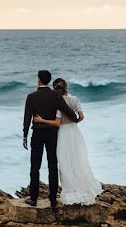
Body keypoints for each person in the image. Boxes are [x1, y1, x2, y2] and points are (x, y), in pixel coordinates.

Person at [32, 77, 102, 205]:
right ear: (66, 87)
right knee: (78, 161)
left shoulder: (56, 102)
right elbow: (81, 116)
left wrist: (41, 120)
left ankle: (70, 193)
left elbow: (57, 123)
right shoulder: (74, 99)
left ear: (54, 88)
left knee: (64, 164)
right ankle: (84, 191)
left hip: (62, 133)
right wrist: (73, 123)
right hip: (75, 132)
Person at [22, 69, 81, 208]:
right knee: (52, 165)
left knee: (35, 166)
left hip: (37, 133)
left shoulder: (31, 97)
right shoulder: (55, 95)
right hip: (52, 134)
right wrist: (75, 119)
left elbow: (27, 118)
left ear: (39, 80)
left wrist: (25, 135)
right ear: (48, 81)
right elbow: (66, 109)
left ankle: (34, 198)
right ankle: (53, 199)